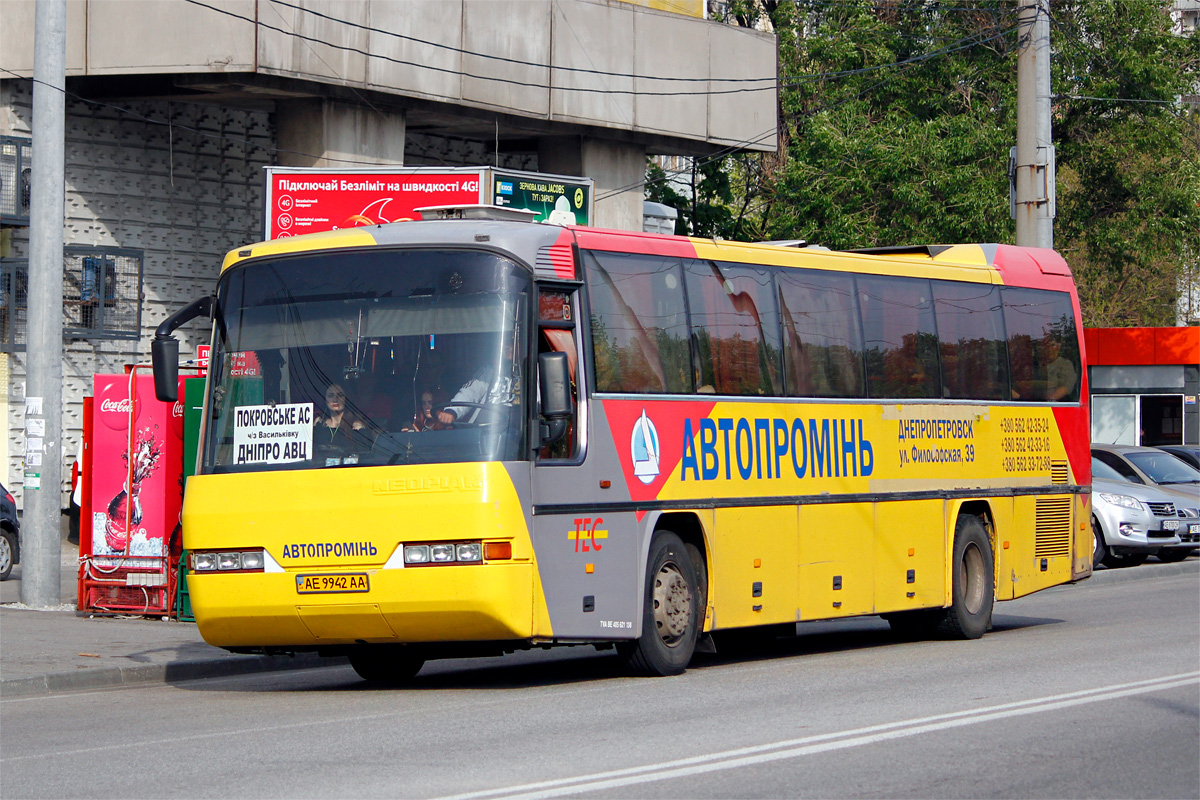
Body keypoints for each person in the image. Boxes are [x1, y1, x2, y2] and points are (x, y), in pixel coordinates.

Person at [438, 341, 520, 426]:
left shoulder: (531, 372)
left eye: (513, 343)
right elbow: (471, 392)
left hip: (518, 432)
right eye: (506, 343)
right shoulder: (490, 370)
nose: (509, 347)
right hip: (484, 431)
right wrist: (452, 411)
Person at [314, 383, 367, 457]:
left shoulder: (356, 426)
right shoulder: (319, 423)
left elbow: (364, 455)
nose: (335, 399)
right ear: (325, 399)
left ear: (346, 398)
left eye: (340, 395)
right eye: (330, 396)